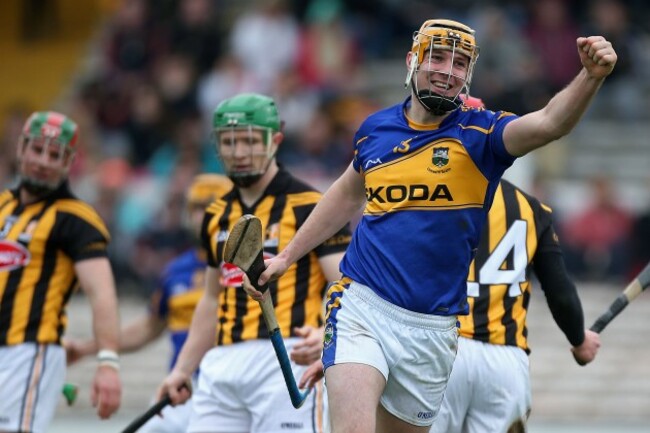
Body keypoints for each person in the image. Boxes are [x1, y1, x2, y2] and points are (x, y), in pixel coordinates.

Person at [247, 18, 617, 433]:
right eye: (437, 57)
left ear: (468, 76)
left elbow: (551, 123)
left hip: (433, 328)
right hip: (362, 304)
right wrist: (286, 257)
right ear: (412, 61)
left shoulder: (482, 134)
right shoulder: (375, 130)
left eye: (460, 63)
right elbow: (348, 193)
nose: (447, 70)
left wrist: (590, 76)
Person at [157, 92, 351, 433]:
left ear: (275, 140)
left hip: (287, 356)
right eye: (230, 142)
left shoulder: (310, 205)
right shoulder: (216, 213)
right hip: (222, 361)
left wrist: (328, 333)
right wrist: (183, 370)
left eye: (250, 140)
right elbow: (212, 299)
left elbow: (345, 284)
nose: (240, 152)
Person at [65, 173, 233, 433]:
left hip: (229, 389)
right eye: (197, 207)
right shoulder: (175, 270)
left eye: (212, 205)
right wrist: (87, 348)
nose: (203, 216)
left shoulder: (248, 267)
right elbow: (149, 327)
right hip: (183, 388)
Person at [0, 111, 121, 432]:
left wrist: (107, 362)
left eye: (55, 155)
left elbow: (102, 293)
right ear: (21, 149)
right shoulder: (2, 206)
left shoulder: (76, 218)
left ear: (68, 163)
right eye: (37, 150)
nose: (43, 161)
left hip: (28, 352)